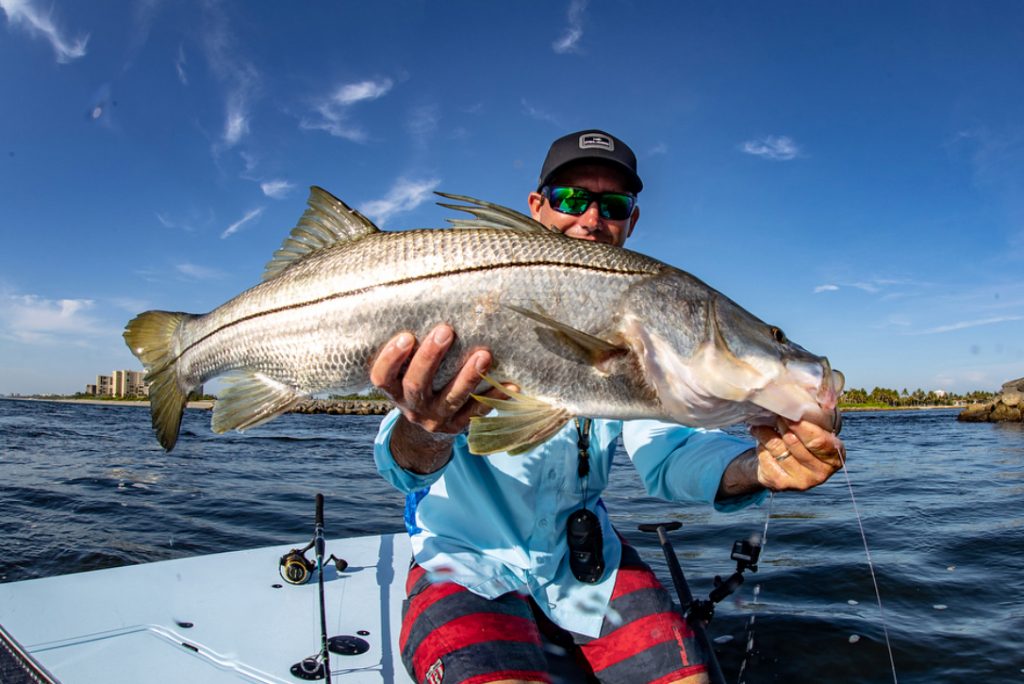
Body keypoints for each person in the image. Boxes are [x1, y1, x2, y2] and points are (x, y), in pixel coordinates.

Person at [371, 129, 845, 684]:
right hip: (463, 560)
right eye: (571, 199)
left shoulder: (653, 331)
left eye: (613, 205)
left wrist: (755, 468)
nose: (591, 220)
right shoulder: (468, 282)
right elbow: (401, 467)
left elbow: (669, 458)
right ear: (536, 205)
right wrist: (424, 427)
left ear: (631, 221)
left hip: (586, 569)